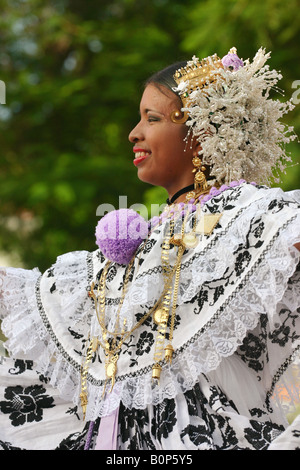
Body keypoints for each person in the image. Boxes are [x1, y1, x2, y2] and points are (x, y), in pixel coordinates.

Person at [0, 47, 299, 451]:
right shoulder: (143, 240)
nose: (133, 133)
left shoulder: (248, 212)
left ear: (203, 133)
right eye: (139, 118)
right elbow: (56, 299)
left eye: (152, 119)